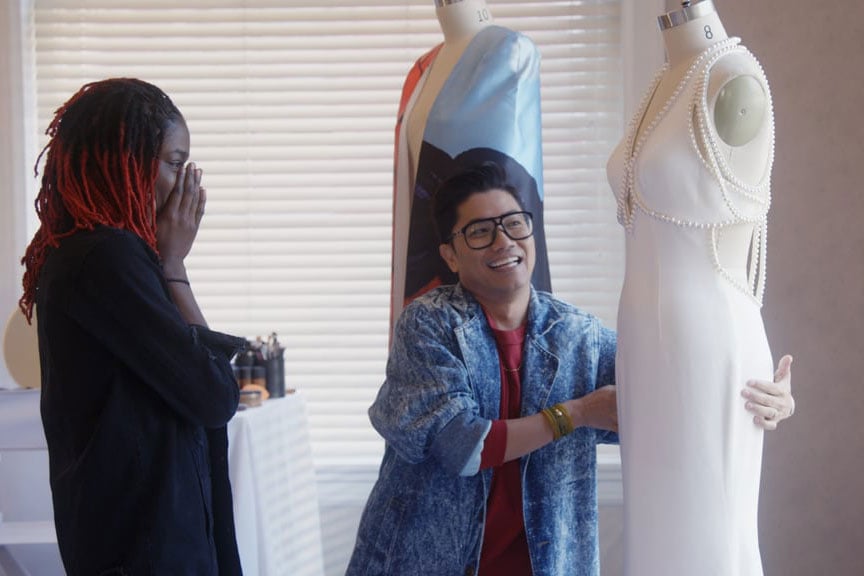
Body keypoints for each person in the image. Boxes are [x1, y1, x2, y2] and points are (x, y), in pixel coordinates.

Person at [347, 161, 794, 575]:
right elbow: (462, 447)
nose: (504, 241)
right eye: (480, 231)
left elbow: (676, 397)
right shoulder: (428, 323)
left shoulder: (579, 335)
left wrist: (762, 399)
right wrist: (576, 414)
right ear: (450, 255)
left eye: (514, 223)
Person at [19, 78, 244, 575]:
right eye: (176, 163)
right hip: (143, 550)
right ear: (128, 161)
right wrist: (174, 265)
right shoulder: (107, 258)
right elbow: (214, 397)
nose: (187, 185)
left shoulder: (85, 253)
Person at [606, 1, 785, 574]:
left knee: (708, 536)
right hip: (643, 348)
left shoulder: (733, 80)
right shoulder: (664, 81)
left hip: (706, 345)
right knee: (654, 537)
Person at [390, 0, 552, 338]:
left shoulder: (510, 53)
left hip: (488, 272)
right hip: (430, 273)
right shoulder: (423, 70)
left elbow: (513, 185)